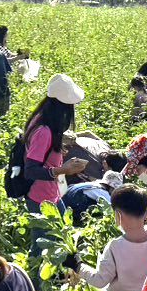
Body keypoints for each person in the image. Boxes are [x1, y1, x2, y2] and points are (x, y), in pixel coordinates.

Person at [22, 75, 89, 213]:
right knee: (45, 235)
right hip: (40, 199)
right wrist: (63, 170)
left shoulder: (42, 118)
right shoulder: (44, 131)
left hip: (52, 194)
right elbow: (31, 170)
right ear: (64, 107)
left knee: (64, 230)